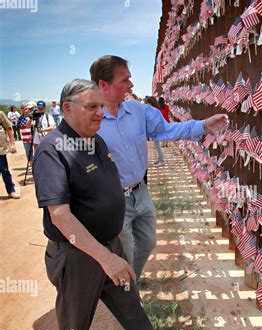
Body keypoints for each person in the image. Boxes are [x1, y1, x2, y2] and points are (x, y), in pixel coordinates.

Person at [33, 79, 181, 330]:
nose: (101, 113)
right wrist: (105, 257)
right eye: (92, 107)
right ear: (67, 109)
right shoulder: (53, 151)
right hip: (78, 253)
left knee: (128, 298)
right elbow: (60, 215)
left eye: (101, 105)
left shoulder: (95, 139)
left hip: (108, 245)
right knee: (77, 315)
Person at [90, 55, 229, 282]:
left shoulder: (138, 111)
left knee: (147, 242)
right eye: (124, 80)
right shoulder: (90, 119)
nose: (131, 85)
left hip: (140, 192)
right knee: (125, 250)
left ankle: (130, 281)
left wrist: (203, 125)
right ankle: (128, 296)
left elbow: (167, 130)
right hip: (114, 200)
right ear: (103, 84)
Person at [0, 110, 20, 198]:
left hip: (0, 149)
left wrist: (12, 143)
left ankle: (11, 190)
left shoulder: (0, 114)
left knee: (4, 170)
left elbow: (9, 128)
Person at [144, 96, 165, 167]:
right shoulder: (153, 110)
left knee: (158, 146)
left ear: (151, 103)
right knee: (156, 145)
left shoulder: (155, 111)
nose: (146, 104)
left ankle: (161, 160)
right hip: (155, 130)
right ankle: (159, 158)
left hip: (157, 130)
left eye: (148, 103)